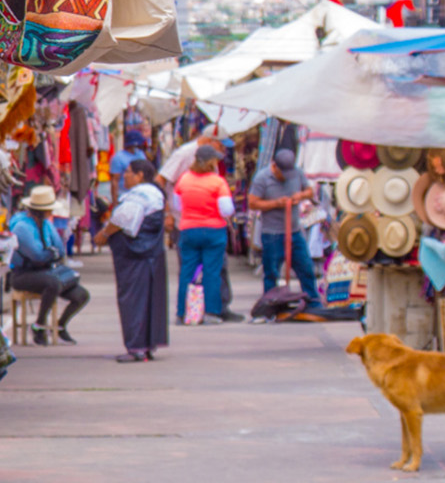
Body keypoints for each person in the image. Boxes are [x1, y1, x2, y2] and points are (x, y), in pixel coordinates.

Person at [95, 158, 170, 362]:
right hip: (149, 256)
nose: (124, 176)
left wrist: (104, 233)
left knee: (133, 299)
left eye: (128, 172)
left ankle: (136, 346)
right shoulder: (154, 194)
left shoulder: (139, 194)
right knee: (148, 299)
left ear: (140, 175)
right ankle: (146, 345)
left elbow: (122, 219)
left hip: (135, 257)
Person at [8, 186, 89, 345]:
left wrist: (51, 253)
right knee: (52, 283)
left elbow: (59, 248)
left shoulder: (46, 225)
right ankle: (39, 324)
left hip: (45, 271)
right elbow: (37, 255)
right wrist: (51, 253)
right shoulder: (22, 227)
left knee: (81, 295)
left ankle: (60, 325)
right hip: (22, 274)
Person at [173, 145, 244, 325]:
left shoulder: (184, 180)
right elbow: (226, 209)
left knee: (187, 272)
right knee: (212, 272)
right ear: (211, 162)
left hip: (188, 229)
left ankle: (183, 312)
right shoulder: (218, 182)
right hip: (213, 231)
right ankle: (211, 312)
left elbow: (177, 206)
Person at [247, 148, 321, 307]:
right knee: (271, 272)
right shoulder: (262, 178)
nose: (286, 177)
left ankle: (313, 302)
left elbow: (309, 191)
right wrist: (276, 204)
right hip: (272, 233)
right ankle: (271, 304)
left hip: (294, 231)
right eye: (282, 174)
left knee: (305, 268)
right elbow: (252, 202)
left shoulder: (296, 173)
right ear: (274, 166)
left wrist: (300, 196)